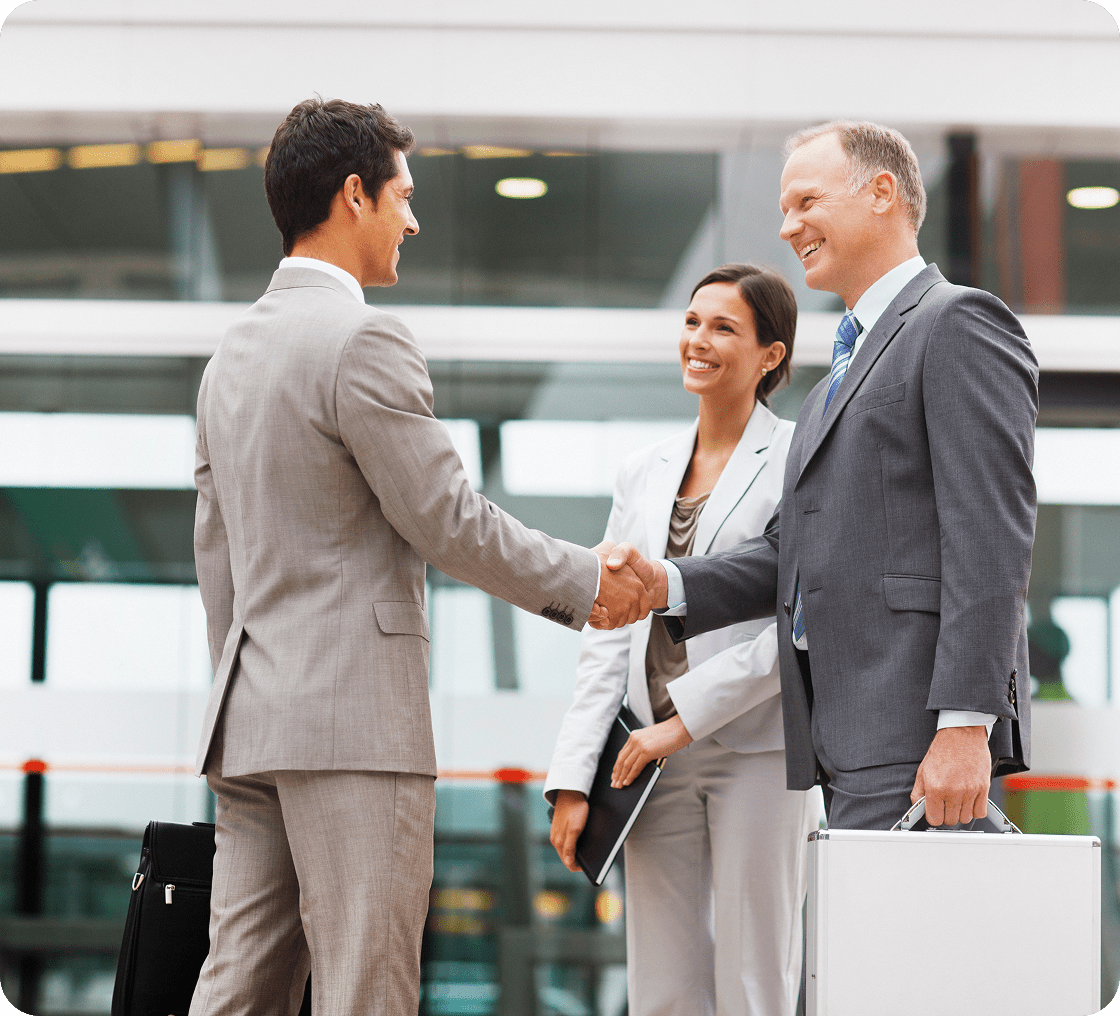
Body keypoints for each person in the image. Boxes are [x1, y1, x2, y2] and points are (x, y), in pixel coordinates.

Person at [189, 98, 649, 1016]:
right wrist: (588, 582)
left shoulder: (230, 355)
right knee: (366, 988)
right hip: (353, 722)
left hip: (251, 717)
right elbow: (445, 517)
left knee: (240, 984)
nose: (413, 218)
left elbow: (218, 555)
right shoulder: (362, 339)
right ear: (353, 195)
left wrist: (248, 684)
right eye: (403, 196)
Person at [601, 120, 1038, 832]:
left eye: (805, 201)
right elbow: (793, 554)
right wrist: (666, 583)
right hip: (845, 738)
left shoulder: (956, 323)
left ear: (882, 193)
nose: (786, 227)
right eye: (783, 209)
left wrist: (965, 727)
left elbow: (989, 537)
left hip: (915, 731)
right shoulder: (836, 376)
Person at [546, 264, 819, 1016]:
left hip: (754, 751)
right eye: (693, 322)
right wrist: (575, 776)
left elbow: (798, 618)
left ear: (771, 355)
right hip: (644, 757)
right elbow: (608, 630)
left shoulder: (801, 459)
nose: (698, 340)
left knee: (752, 981)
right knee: (662, 986)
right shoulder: (644, 470)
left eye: (723, 327)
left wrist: (686, 719)